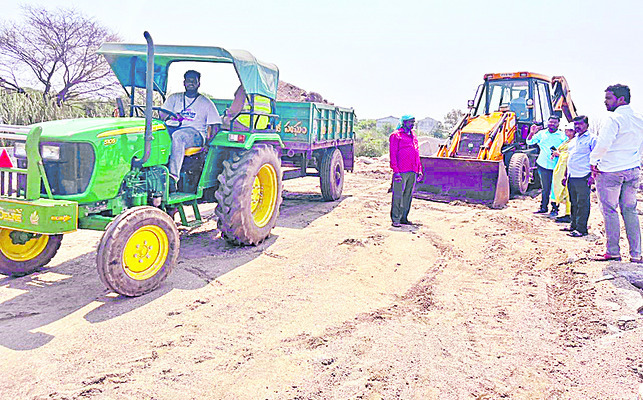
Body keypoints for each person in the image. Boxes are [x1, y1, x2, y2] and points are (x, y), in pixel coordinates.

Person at [590, 84, 643, 262]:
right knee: (630, 211)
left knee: (610, 211)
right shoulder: (639, 118)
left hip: (610, 171)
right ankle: (636, 254)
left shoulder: (613, 118)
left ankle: (613, 252)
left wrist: (593, 161)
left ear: (621, 99)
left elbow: (604, 144)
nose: (605, 102)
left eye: (608, 98)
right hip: (633, 170)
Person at [161, 70, 222, 189]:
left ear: (199, 83)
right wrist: (173, 116)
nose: (191, 83)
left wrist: (208, 144)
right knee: (156, 134)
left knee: (179, 136)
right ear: (184, 83)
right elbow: (162, 115)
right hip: (172, 128)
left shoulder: (206, 103)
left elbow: (215, 125)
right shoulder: (174, 98)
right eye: (188, 80)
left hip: (194, 133)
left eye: (194, 81)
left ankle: (173, 178)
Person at [561, 115, 596, 238]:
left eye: (580, 124)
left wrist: (593, 176)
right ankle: (573, 225)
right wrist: (565, 175)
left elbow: (596, 158)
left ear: (587, 125)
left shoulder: (592, 139)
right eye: (575, 124)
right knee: (573, 202)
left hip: (583, 175)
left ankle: (582, 229)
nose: (577, 126)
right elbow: (570, 158)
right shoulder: (574, 140)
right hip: (572, 175)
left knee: (583, 203)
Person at [526, 115, 567, 215]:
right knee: (545, 188)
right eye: (550, 122)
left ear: (558, 124)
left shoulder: (562, 136)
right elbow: (529, 141)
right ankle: (543, 207)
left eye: (554, 122)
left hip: (557, 166)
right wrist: (532, 133)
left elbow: (567, 151)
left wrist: (559, 154)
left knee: (555, 188)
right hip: (543, 165)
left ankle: (555, 209)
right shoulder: (541, 133)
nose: (552, 124)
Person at [389, 115, 423, 228]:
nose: (412, 124)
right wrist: (396, 171)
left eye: (413, 122)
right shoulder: (396, 136)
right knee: (398, 195)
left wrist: (419, 169)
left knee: (408, 195)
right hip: (401, 171)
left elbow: (416, 154)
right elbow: (393, 154)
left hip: (413, 170)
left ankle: (404, 218)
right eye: (410, 122)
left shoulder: (413, 136)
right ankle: (395, 219)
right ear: (404, 122)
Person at [551, 122, 576, 224]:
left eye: (569, 130)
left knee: (568, 192)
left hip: (568, 169)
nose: (566, 132)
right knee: (564, 191)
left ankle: (569, 214)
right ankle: (567, 213)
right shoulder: (567, 141)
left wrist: (559, 154)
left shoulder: (574, 142)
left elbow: (569, 155)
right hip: (561, 169)